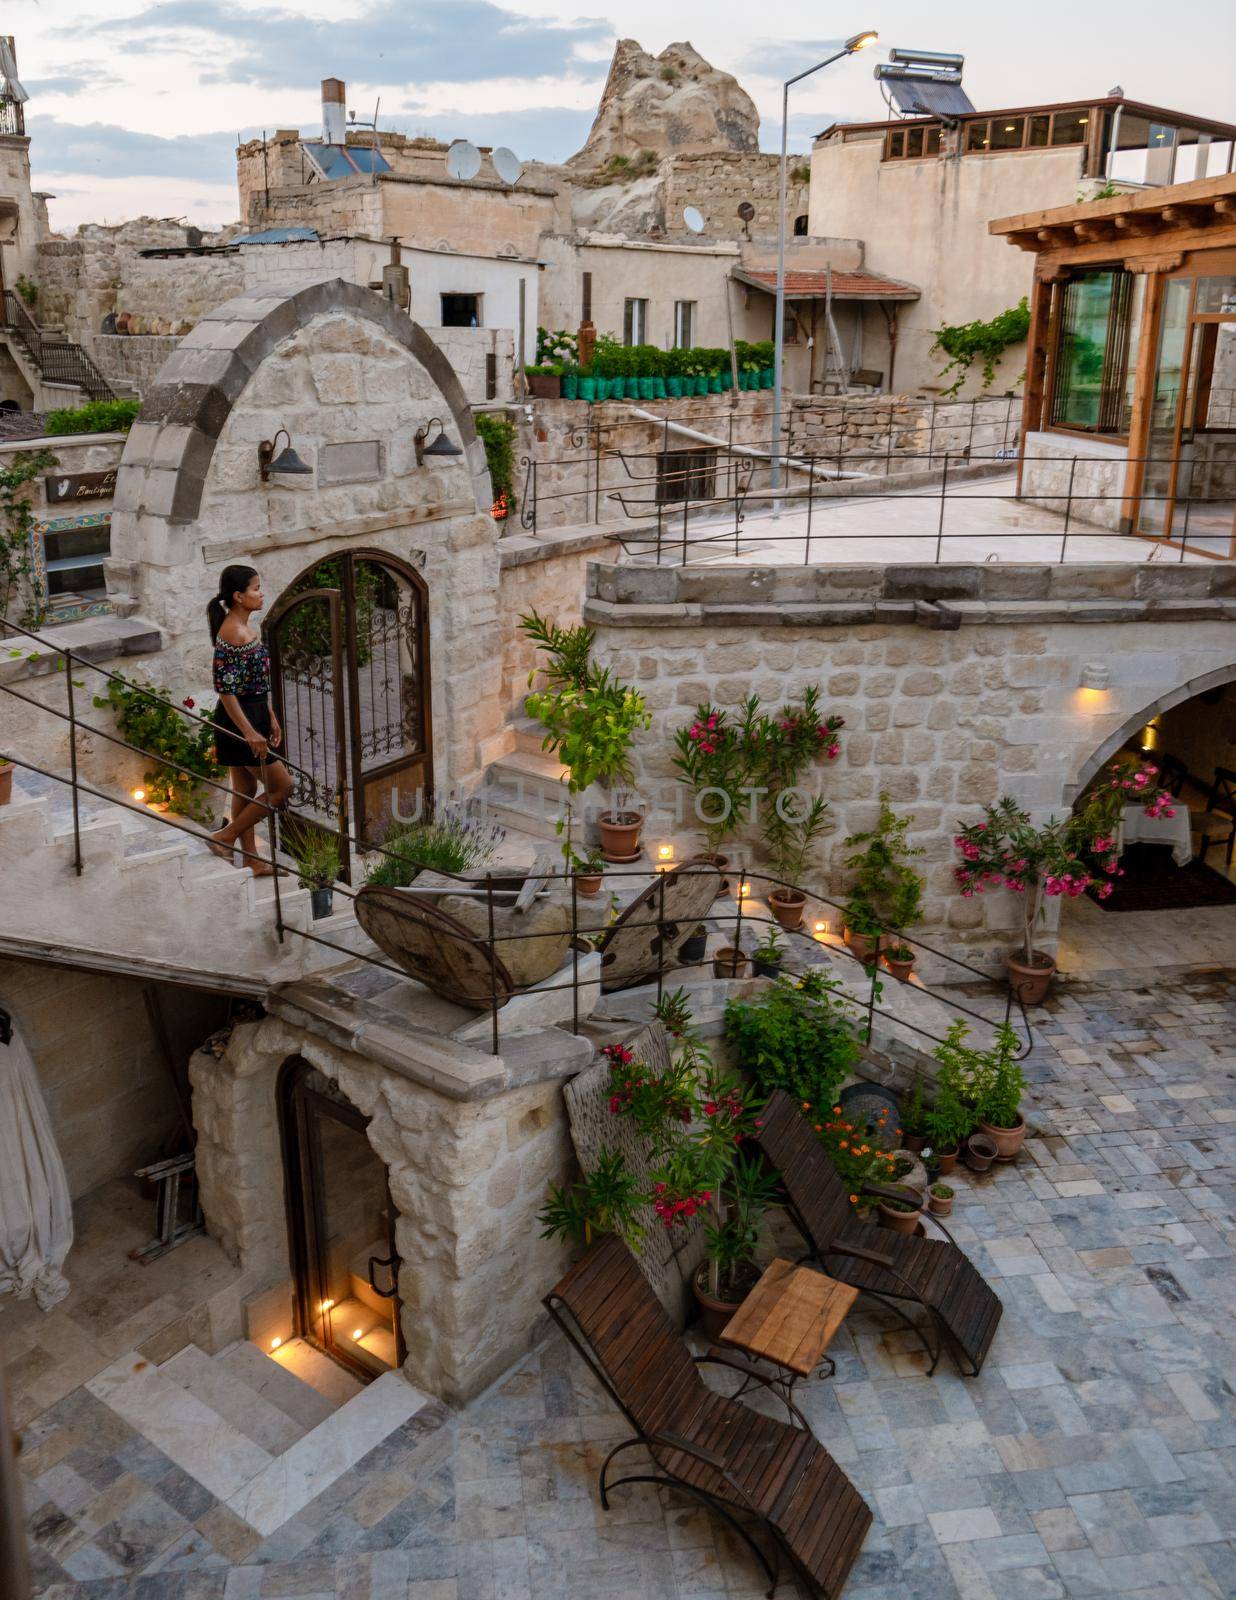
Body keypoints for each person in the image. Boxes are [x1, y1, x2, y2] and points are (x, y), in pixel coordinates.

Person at [205, 564, 293, 873]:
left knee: (245, 790)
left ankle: (254, 861)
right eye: (255, 588)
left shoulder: (242, 628)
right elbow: (226, 691)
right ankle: (224, 836)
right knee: (283, 787)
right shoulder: (233, 631)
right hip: (239, 720)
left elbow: (255, 680)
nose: (261, 593)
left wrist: (270, 716)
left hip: (253, 712)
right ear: (239, 596)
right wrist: (250, 733)